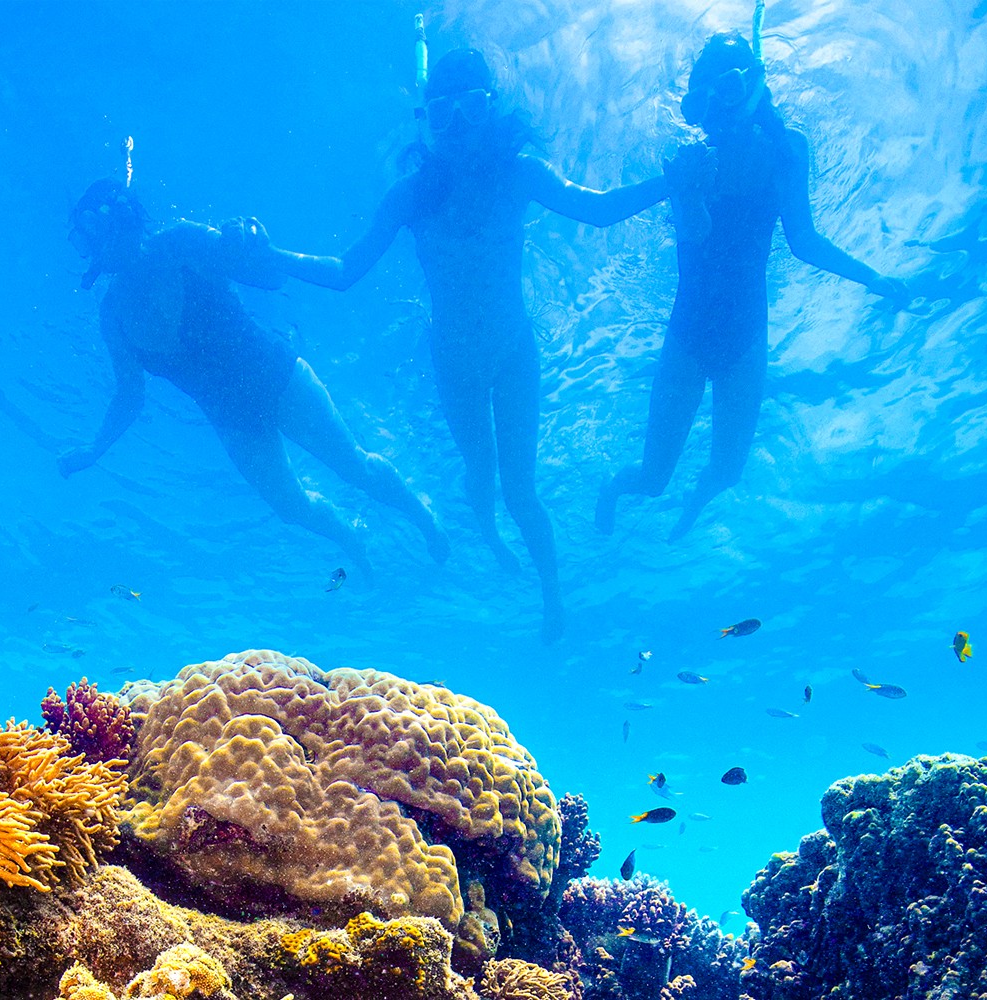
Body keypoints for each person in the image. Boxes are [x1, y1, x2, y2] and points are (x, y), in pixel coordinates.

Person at [257, 49, 669, 643]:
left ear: (492, 110)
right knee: (481, 470)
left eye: (472, 110)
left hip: (513, 353)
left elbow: (598, 210)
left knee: (520, 486)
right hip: (454, 365)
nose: (459, 129)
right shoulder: (410, 194)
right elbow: (347, 269)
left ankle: (553, 600)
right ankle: (493, 536)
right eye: (443, 115)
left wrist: (671, 183)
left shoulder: (521, 171)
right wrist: (271, 257)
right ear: (428, 121)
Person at [596, 32, 909, 542]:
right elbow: (694, 235)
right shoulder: (689, 159)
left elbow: (803, 240)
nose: (717, 109)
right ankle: (614, 488)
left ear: (754, 88)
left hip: (745, 335)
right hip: (688, 335)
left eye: (730, 88)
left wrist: (871, 276)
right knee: (652, 480)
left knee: (727, 473)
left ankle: (692, 510)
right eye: (703, 99)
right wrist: (690, 189)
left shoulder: (787, 150)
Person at [58, 178, 449, 574]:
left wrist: (253, 243)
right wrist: (95, 450)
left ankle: (423, 517)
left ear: (118, 217)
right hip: (230, 417)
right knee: (290, 508)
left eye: (88, 235)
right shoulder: (112, 316)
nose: (88, 252)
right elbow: (130, 394)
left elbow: (270, 278)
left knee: (353, 467)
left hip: (275, 375)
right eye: (81, 243)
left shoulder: (179, 241)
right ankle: (351, 541)